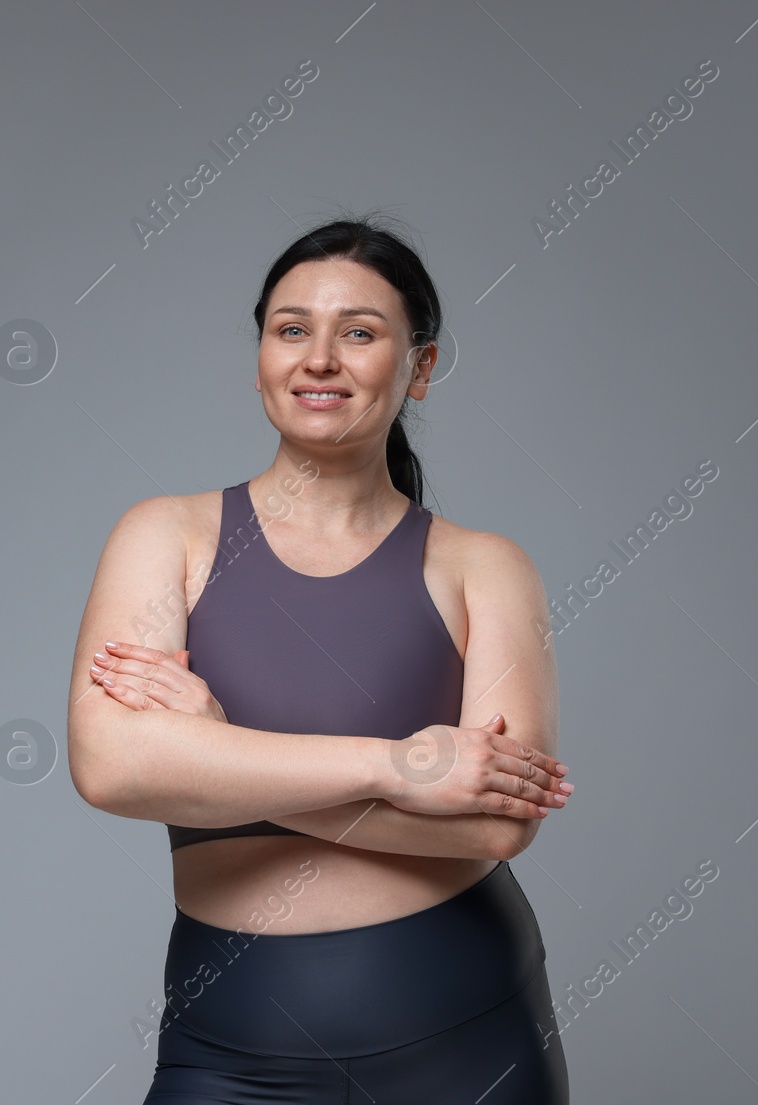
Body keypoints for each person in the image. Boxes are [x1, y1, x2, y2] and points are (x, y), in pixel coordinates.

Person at [67, 213, 573, 1102]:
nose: (319, 359)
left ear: (420, 367)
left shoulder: (486, 567)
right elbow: (112, 767)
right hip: (232, 1051)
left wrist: (220, 753)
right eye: (291, 328)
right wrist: (397, 764)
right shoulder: (167, 537)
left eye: (361, 333)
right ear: (261, 353)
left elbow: (496, 825)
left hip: (469, 1043)